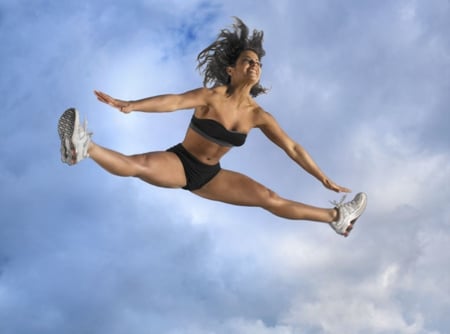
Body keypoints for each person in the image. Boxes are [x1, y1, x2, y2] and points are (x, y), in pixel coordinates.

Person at [57, 17, 367, 237]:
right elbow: (174, 101)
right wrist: (132, 105)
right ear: (231, 70)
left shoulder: (259, 116)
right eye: (248, 61)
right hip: (181, 162)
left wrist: (323, 177)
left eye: (258, 63)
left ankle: (337, 217)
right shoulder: (212, 96)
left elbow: (293, 148)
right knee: (138, 165)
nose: (254, 66)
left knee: (269, 198)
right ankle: (84, 147)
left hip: (212, 176)